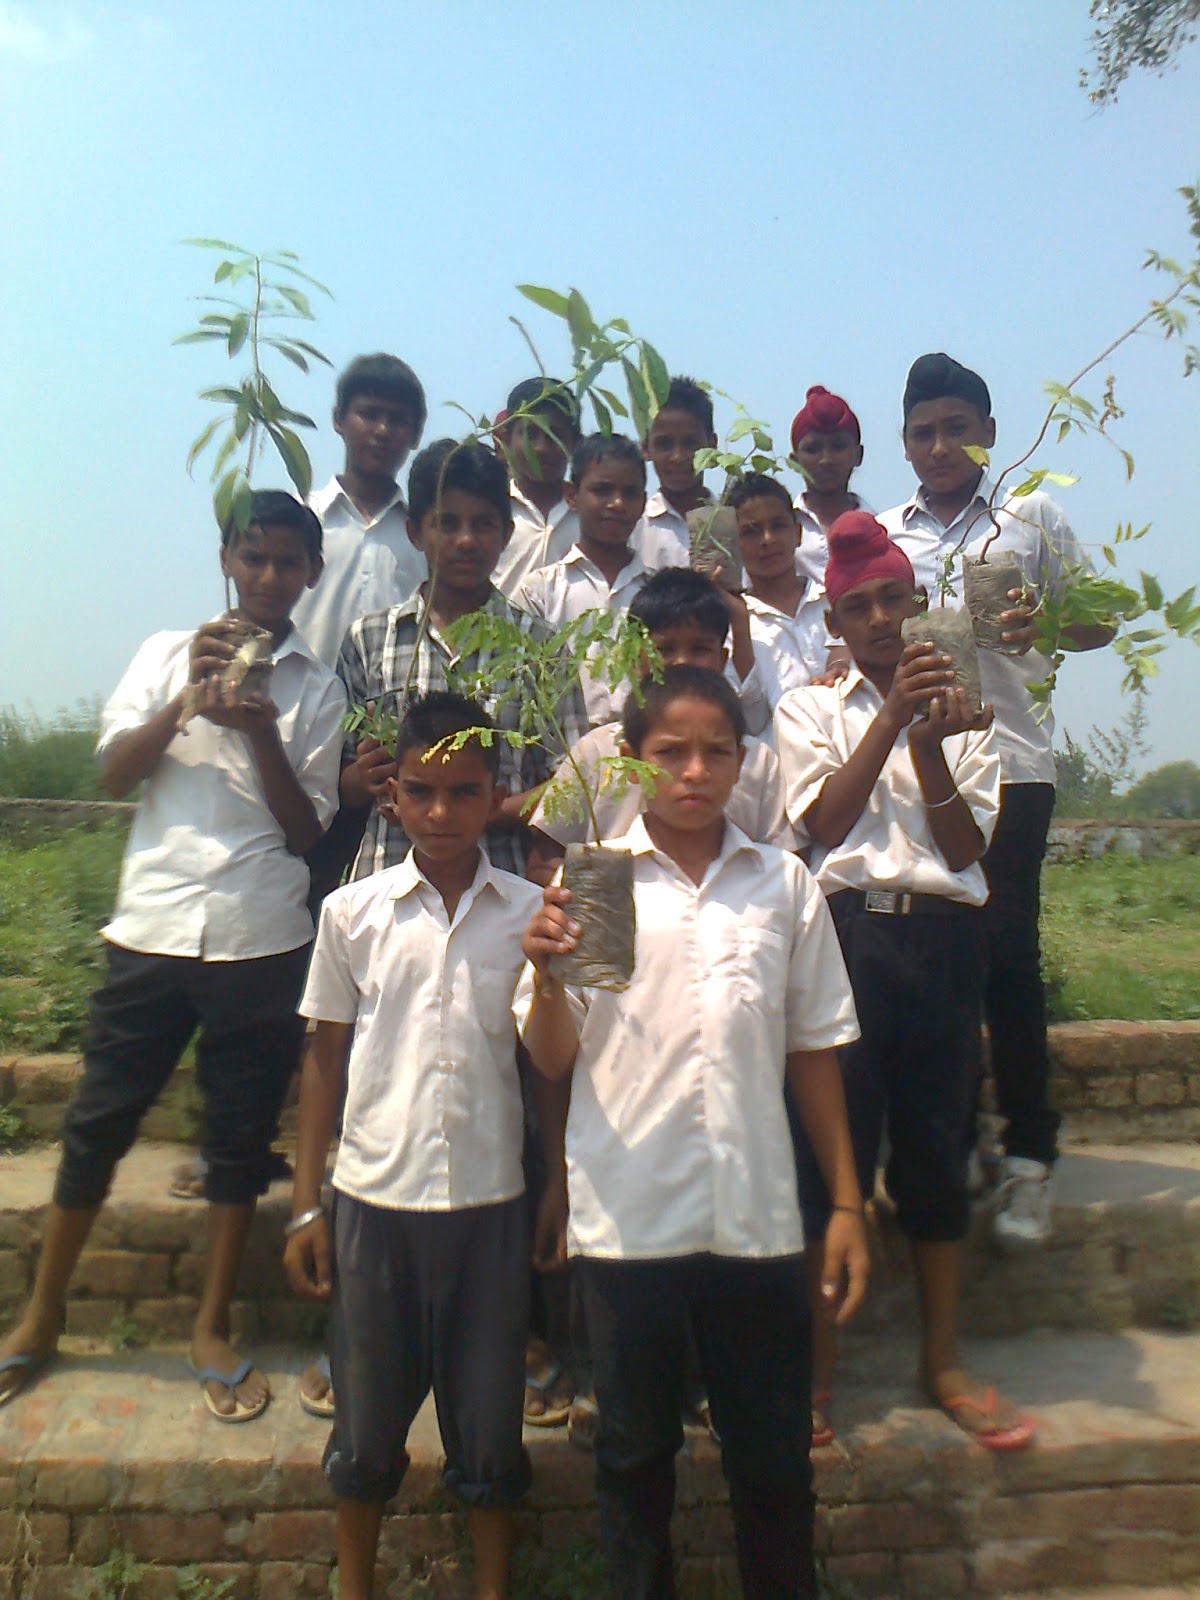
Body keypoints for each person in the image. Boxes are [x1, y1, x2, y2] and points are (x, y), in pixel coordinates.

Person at [518, 664, 869, 1600]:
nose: (695, 771)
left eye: (717, 751)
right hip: (628, 1221)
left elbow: (813, 1049)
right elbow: (552, 1056)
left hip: (755, 1221)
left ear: (744, 762)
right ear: (630, 762)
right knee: (634, 1456)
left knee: (772, 1460)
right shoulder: (594, 883)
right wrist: (546, 976)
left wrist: (844, 1201)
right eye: (671, 752)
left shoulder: (781, 886)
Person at [0, 492, 345, 1418]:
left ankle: (210, 1323)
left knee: (236, 1140)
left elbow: (308, 830)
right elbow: (116, 774)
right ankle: (40, 1316)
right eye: (253, 557)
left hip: (260, 934)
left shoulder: (317, 687)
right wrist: (186, 701)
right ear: (227, 559)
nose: (268, 577)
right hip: (151, 924)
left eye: (288, 562)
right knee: (97, 1122)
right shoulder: (164, 652)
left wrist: (261, 730)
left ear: (313, 573)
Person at [775, 510, 1035, 1454]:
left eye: (894, 600)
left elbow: (964, 851)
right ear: (834, 623)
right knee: (827, 1154)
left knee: (937, 1143)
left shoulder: (970, 709)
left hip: (943, 942)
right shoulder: (809, 710)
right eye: (859, 607)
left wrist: (928, 744)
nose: (880, 619)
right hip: (845, 940)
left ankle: (942, 1360)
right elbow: (823, 826)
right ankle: (816, 1371)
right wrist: (891, 720)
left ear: (920, 605)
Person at [284, 692, 541, 1600]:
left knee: (490, 1426)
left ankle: (492, 1586)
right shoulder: (351, 913)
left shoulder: (530, 915)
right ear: (391, 797)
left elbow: (547, 1068)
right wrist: (307, 1203)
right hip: (373, 1203)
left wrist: (553, 1191)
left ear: (495, 796)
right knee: (364, 1426)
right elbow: (325, 1060)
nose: (441, 812)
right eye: (422, 791)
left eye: (464, 792)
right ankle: (354, 1584)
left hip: (490, 1203)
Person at [880, 353, 1115, 1246]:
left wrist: (1043, 622)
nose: (941, 446)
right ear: (904, 443)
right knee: (937, 959)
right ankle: (959, 1137)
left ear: (989, 432)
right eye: (924, 433)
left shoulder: (1030, 515)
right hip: (927, 770)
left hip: (1012, 766)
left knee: (1007, 958)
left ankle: (1030, 1158)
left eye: (956, 428)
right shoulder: (888, 534)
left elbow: (1100, 620)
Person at [337, 437, 589, 882]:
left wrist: (486, 810)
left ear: (506, 534)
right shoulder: (370, 640)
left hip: (503, 886)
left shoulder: (540, 649)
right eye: (447, 523)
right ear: (415, 532)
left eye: (483, 524)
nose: (466, 540)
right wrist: (365, 777)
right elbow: (339, 784)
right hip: (388, 878)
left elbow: (571, 785)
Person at [293, 353, 428, 667]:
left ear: (416, 435)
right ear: (338, 419)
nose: (382, 430)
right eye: (368, 414)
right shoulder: (300, 519)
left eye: (397, 420)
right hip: (300, 694)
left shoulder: (422, 538)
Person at [514, 433, 652, 727]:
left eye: (630, 493)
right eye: (602, 490)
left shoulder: (656, 592)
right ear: (572, 496)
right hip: (564, 745)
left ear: (643, 502)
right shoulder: (539, 592)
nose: (617, 503)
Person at [731, 474, 832, 720]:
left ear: (797, 533)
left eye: (778, 526)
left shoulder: (834, 602)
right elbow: (750, 718)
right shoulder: (733, 625)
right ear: (733, 543)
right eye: (751, 531)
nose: (768, 539)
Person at [492, 378, 582, 597]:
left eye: (555, 435)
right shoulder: (491, 510)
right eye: (530, 434)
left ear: (576, 443)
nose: (541, 448)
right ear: (507, 439)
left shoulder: (589, 515)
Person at [789, 385, 871, 597]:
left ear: (859, 455)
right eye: (813, 449)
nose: (826, 460)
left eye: (838, 446)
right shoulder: (779, 529)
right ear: (794, 461)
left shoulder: (883, 528)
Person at [632, 375, 718, 570]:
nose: (678, 457)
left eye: (690, 444)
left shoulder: (730, 522)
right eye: (664, 444)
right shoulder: (635, 526)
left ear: (712, 445)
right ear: (646, 448)